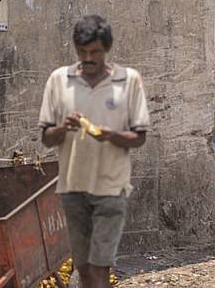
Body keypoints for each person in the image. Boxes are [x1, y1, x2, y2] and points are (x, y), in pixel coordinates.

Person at [38, 15, 150, 287]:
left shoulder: (128, 81)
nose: (89, 58)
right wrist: (64, 127)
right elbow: (46, 138)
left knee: (101, 266)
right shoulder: (58, 81)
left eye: (95, 52)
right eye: (83, 52)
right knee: (84, 266)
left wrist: (110, 135)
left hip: (111, 189)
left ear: (106, 49)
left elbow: (139, 137)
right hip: (72, 187)